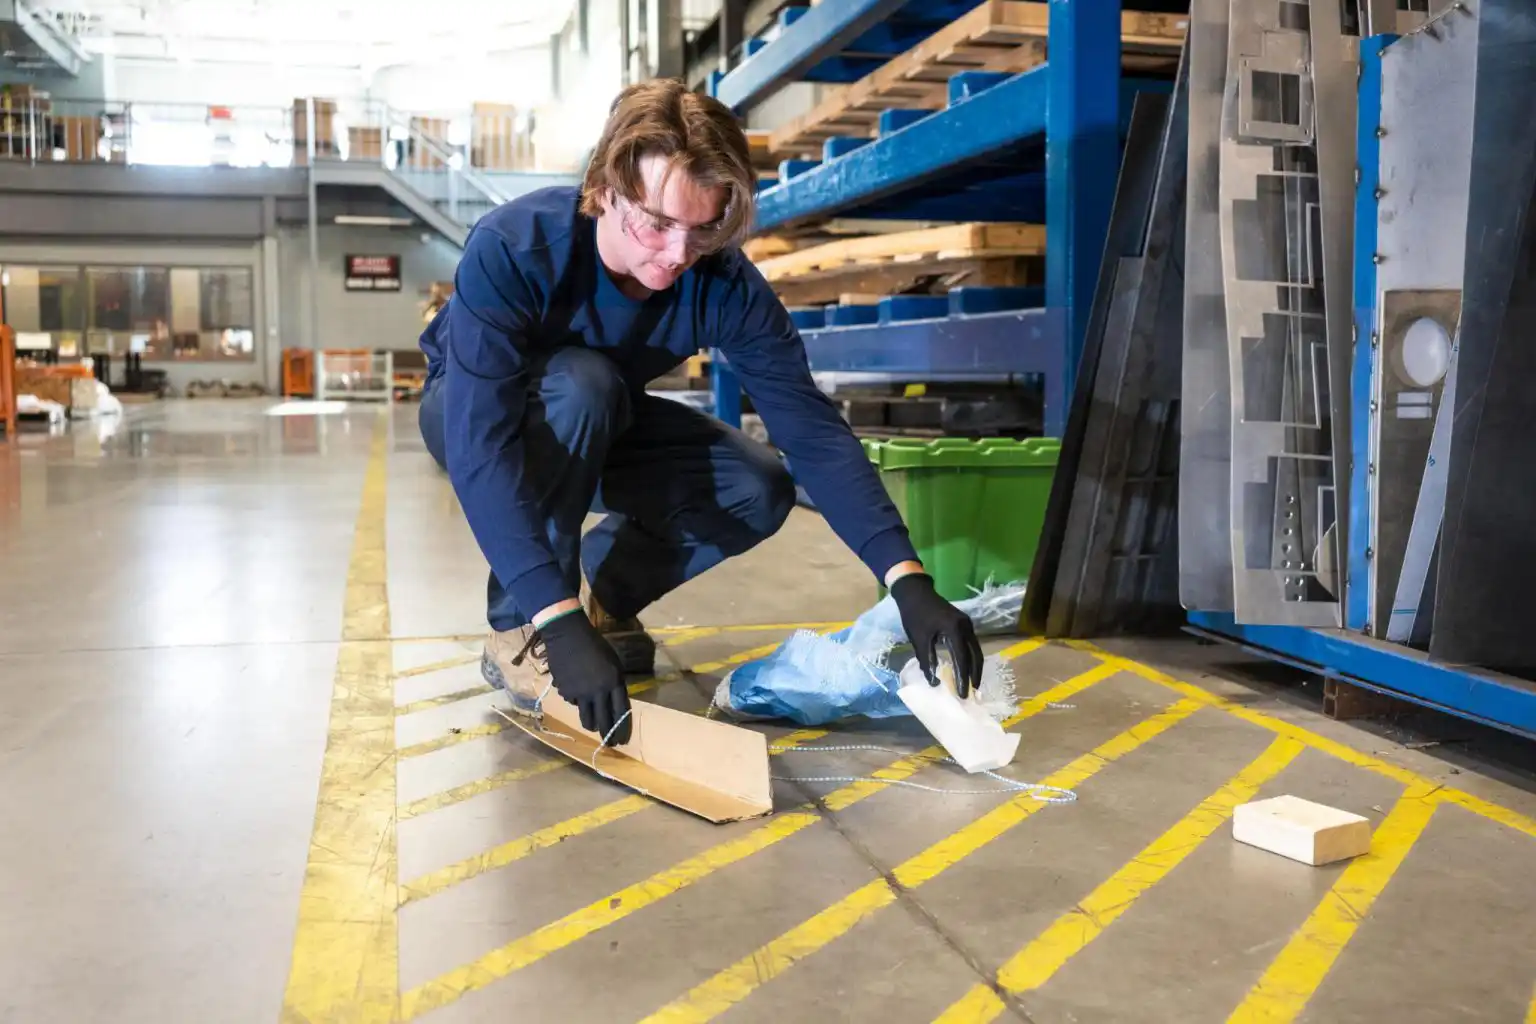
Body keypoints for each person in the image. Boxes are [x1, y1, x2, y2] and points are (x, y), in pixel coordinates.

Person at [417, 79, 983, 746]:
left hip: (601, 415)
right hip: (472, 411)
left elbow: (809, 427)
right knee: (583, 383)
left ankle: (608, 596)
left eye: (702, 228)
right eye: (655, 224)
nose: (678, 255)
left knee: (757, 486)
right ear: (603, 188)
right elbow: (481, 448)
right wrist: (552, 616)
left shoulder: (719, 279)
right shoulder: (517, 248)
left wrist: (904, 578)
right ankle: (523, 628)